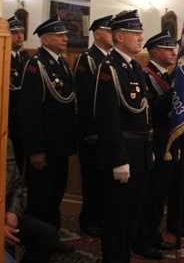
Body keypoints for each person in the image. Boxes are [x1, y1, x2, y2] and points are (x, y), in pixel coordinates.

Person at [93, 10, 156, 262]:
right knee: (117, 215)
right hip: (123, 154)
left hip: (140, 152)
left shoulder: (134, 68)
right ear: (119, 36)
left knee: (134, 213)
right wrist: (118, 159)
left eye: (141, 33)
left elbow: (143, 112)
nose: (141, 38)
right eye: (135, 33)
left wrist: (148, 147)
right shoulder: (109, 69)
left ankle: (124, 257)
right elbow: (108, 119)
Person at [19, 15, 77, 254]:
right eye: (60, 35)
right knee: (40, 198)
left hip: (61, 145)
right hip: (45, 146)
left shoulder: (60, 63)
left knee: (55, 196)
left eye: (65, 34)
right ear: (45, 39)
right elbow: (30, 112)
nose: (65, 38)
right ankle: (37, 245)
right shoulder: (36, 65)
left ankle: (51, 239)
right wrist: (35, 150)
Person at [133, 30, 180, 256]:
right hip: (154, 140)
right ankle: (142, 241)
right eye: (168, 49)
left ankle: (153, 234)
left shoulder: (168, 76)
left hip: (168, 140)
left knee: (160, 194)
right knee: (150, 195)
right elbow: (150, 111)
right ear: (155, 52)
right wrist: (173, 94)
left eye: (173, 48)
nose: (173, 52)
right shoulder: (146, 76)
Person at [73, 14, 114, 238]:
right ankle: (89, 220)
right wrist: (90, 129)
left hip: (106, 130)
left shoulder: (109, 58)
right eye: (109, 31)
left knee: (103, 178)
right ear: (98, 33)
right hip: (92, 132)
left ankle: (101, 217)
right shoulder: (87, 59)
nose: (113, 35)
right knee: (91, 178)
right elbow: (84, 97)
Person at [4, 138, 59, 263]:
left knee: (48, 236)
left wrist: (13, 211)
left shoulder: (5, 142)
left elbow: (16, 185)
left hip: (6, 214)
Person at [7, 16, 30, 175]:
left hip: (24, 122)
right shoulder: (3, 58)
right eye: (14, 32)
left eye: (21, 32)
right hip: (10, 121)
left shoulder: (25, 58)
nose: (20, 36)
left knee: (22, 166)